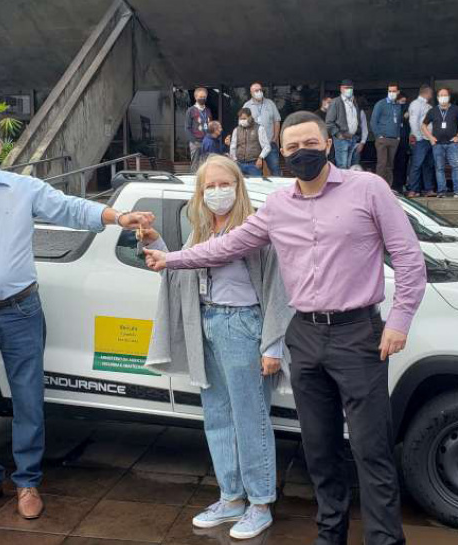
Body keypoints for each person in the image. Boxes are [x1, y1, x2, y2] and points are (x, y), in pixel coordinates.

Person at [144, 111, 427, 545]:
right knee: (319, 449)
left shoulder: (367, 189)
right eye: (292, 147)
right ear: (281, 151)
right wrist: (172, 259)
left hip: (358, 334)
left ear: (328, 144)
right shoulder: (277, 206)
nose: (301, 153)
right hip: (305, 336)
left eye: (309, 144)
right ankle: (329, 535)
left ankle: (384, 540)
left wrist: (400, 320)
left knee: (370, 450)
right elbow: (228, 246)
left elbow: (408, 258)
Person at [0, 112, 154, 520]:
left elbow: (70, 209)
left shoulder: (24, 189)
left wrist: (119, 217)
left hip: (20, 311)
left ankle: (27, 482)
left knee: (28, 399)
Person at [141, 155, 293, 539]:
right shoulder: (203, 227)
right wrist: (156, 243)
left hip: (242, 325)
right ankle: (231, 497)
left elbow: (279, 286)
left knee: (250, 417)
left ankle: (260, 503)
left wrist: (273, 344)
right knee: (217, 416)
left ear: (238, 186)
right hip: (205, 323)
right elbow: (183, 268)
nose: (216, 192)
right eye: (208, 186)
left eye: (224, 184)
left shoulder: (255, 227)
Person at [422, 88, 458, 198]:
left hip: (453, 144)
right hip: (437, 144)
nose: (443, 97)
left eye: (445, 95)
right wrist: (431, 138)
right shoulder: (432, 111)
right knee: (439, 168)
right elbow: (423, 126)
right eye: (441, 95)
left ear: (449, 97)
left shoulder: (455, 109)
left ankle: (457, 191)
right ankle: (441, 191)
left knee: (456, 167)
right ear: (437, 98)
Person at [325, 79, 369, 169]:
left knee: (353, 166)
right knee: (342, 165)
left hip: (353, 138)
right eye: (346, 88)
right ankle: (343, 184)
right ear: (341, 89)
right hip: (342, 139)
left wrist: (360, 138)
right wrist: (338, 134)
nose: (348, 90)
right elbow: (329, 122)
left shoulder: (354, 102)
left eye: (350, 88)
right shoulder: (335, 102)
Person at [243, 82, 282, 176]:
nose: (259, 92)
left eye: (260, 90)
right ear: (251, 93)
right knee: (255, 173)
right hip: (254, 145)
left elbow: (277, 121)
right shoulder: (247, 106)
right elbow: (243, 126)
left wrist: (275, 138)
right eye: (256, 90)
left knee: (275, 170)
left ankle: (277, 190)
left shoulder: (270, 103)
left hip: (270, 143)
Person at [406, 84, 436, 197]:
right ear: (427, 93)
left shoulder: (427, 106)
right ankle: (413, 190)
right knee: (417, 164)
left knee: (428, 165)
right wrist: (418, 136)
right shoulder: (416, 104)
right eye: (431, 93)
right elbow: (413, 121)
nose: (431, 95)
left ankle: (428, 189)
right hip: (421, 139)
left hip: (429, 139)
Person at [371, 83, 403, 185]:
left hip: (394, 139)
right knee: (382, 164)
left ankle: (388, 187)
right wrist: (378, 135)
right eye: (389, 91)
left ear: (398, 92)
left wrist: (398, 136)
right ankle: (379, 187)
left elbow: (398, 122)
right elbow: (373, 121)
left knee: (390, 165)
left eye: (394, 91)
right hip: (383, 139)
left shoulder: (398, 105)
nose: (391, 93)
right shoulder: (380, 104)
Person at [229, 108, 271, 178]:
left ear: (250, 117)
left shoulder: (259, 128)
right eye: (240, 119)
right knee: (240, 186)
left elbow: (267, 147)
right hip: (239, 164)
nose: (242, 121)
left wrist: (260, 158)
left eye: (244, 118)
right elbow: (233, 146)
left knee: (256, 186)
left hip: (254, 164)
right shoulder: (236, 130)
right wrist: (234, 160)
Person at [186, 87, 214, 173]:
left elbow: (210, 126)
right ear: (195, 97)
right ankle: (193, 182)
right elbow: (187, 127)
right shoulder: (190, 110)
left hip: (207, 142)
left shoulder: (208, 110)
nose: (202, 99)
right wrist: (194, 141)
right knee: (195, 164)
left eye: (204, 97)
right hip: (196, 142)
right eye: (200, 97)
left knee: (206, 164)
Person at [392, 93, 411, 191]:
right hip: (394, 141)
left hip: (404, 142)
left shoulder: (408, 113)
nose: (402, 104)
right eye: (401, 102)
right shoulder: (393, 111)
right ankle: (393, 185)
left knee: (403, 164)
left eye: (404, 102)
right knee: (393, 164)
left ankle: (401, 185)